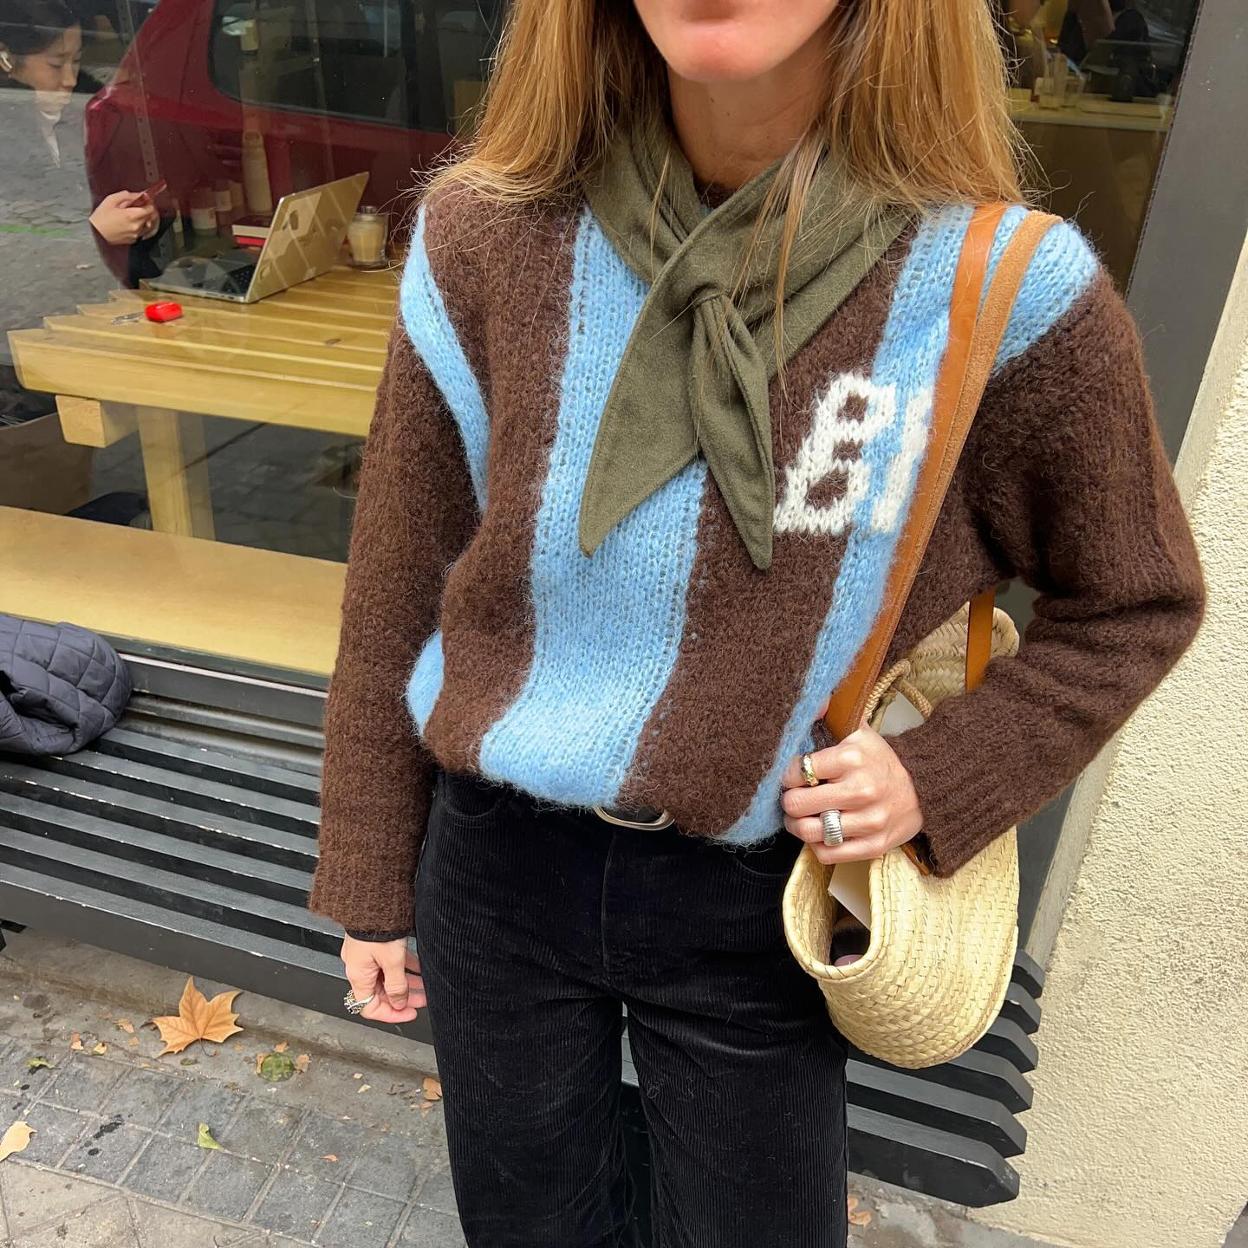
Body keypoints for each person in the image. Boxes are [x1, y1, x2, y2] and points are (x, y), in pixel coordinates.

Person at [308, 2, 1206, 1244]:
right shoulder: (485, 237)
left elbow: (1136, 598)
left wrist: (940, 776)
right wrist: (370, 876)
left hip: (758, 905)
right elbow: (399, 577)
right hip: (493, 878)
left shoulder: (1000, 292)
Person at [0, 0, 158, 247]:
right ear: (5, 59)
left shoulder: (83, 116)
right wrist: (96, 232)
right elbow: (15, 242)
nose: (69, 80)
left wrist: (133, 217)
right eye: (55, 64)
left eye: (75, 61)